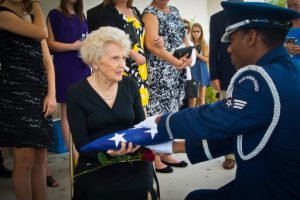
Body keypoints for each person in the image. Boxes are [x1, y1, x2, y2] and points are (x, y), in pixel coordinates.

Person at [139, 1, 300, 200]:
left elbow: (211, 119)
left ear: (251, 38)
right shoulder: (290, 69)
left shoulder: (260, 79)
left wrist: (158, 123)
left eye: (231, 40)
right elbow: (241, 136)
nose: (229, 49)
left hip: (271, 189)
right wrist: (173, 146)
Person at [66, 26, 158, 200]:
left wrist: (135, 145)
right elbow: (81, 143)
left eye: (124, 58)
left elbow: (141, 128)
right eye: (116, 58)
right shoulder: (76, 93)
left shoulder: (130, 85)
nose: (123, 65)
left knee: (140, 185)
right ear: (95, 62)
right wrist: (108, 151)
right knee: (96, 191)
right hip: (95, 160)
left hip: (133, 156)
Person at [0, 0, 57, 199]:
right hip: (14, 93)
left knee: (41, 156)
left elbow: (48, 62)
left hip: (39, 93)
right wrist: (35, 3)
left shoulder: (34, 19)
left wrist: (51, 94)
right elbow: (42, 32)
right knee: (24, 158)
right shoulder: (3, 14)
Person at [142, 0, 191, 173]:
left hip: (177, 70)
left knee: (172, 111)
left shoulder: (175, 10)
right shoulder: (150, 13)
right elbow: (151, 46)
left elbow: (185, 36)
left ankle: (166, 152)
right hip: (160, 72)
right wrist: (177, 62)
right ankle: (155, 157)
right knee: (158, 114)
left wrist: (189, 55)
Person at [46, 0, 91, 163]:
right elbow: (49, 43)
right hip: (65, 65)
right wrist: (73, 47)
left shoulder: (81, 15)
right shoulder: (54, 14)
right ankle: (75, 156)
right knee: (68, 110)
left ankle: (85, 150)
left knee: (85, 109)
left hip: (83, 65)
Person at [209, 9, 236, 170]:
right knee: (227, 116)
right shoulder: (217, 18)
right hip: (226, 75)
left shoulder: (251, 13)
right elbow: (214, 49)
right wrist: (214, 75)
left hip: (252, 70)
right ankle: (229, 155)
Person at [190, 22, 210, 106]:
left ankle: (201, 116)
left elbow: (208, 60)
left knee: (201, 96)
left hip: (202, 69)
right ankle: (191, 115)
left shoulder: (204, 44)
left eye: (198, 31)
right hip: (192, 69)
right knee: (192, 96)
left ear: (201, 32)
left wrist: (198, 55)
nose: (196, 33)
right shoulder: (189, 43)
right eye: (194, 31)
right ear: (191, 32)